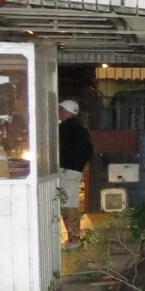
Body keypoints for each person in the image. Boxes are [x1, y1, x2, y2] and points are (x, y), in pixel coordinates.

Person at [58, 99, 93, 250]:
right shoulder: (81, 129)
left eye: (61, 109)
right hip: (75, 170)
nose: (59, 112)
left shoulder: (62, 129)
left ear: (66, 111)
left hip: (66, 170)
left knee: (67, 205)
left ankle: (74, 238)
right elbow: (89, 150)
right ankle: (74, 237)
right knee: (70, 203)